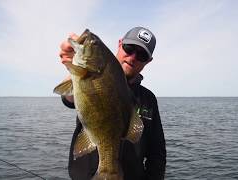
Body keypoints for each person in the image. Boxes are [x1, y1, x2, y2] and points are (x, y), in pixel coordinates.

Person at [58, 27, 166, 180]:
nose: (132, 57)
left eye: (141, 54)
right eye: (129, 48)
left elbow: (157, 152)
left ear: (148, 61)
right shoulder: (89, 75)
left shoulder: (149, 99)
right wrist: (73, 68)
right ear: (120, 44)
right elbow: (68, 98)